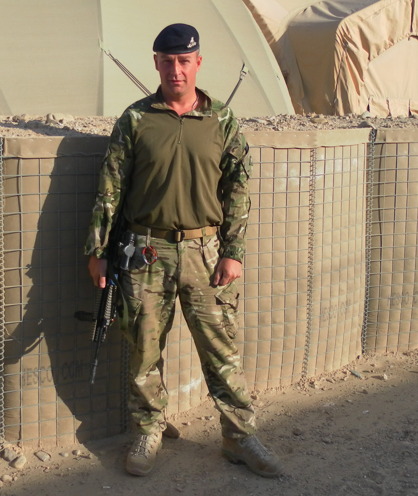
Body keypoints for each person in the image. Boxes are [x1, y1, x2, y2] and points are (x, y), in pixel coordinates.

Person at [84, 23, 283, 478]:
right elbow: (109, 190)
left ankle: (239, 435)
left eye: (184, 61)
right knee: (143, 348)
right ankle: (148, 428)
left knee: (221, 349)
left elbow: (238, 188)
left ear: (197, 63)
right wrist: (97, 250)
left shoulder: (222, 121)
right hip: (144, 252)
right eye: (167, 60)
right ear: (156, 63)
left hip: (205, 253)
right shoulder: (135, 120)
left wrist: (233, 252)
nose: (176, 69)